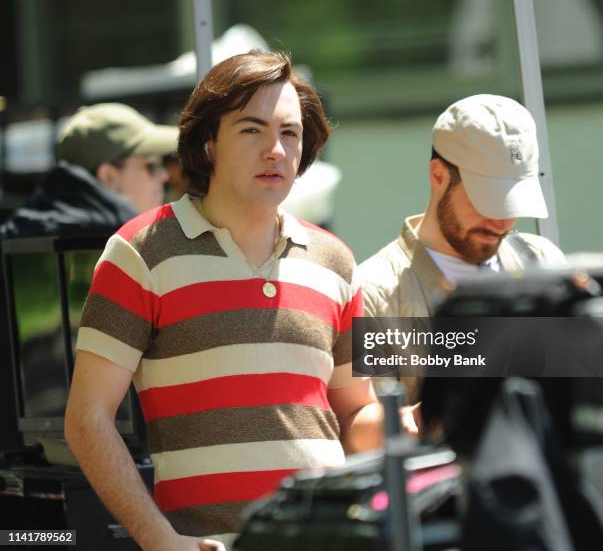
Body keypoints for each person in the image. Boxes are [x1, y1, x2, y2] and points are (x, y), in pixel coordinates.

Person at [64, 51, 383, 551]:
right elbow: (86, 418)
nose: (275, 150)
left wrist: (427, 416)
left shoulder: (337, 260)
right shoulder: (139, 252)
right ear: (208, 142)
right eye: (252, 130)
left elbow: (356, 413)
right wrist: (160, 540)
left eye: (290, 133)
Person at [359, 94, 565, 412]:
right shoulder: (373, 293)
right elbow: (363, 430)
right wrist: (460, 403)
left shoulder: (542, 262)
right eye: (488, 199)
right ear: (438, 176)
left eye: (513, 202)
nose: (501, 221)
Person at [0, 103, 174, 238]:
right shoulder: (115, 248)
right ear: (109, 176)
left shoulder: (20, 233)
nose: (164, 176)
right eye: (151, 166)